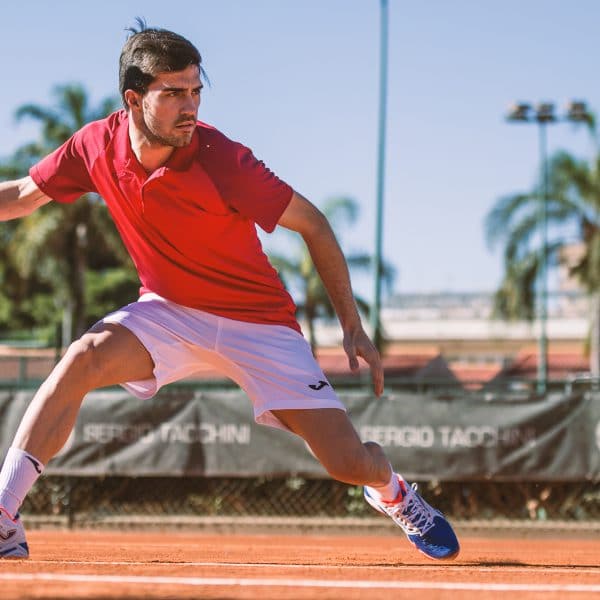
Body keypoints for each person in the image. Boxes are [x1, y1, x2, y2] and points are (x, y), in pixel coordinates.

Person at [0, 22, 459, 561]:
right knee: (83, 357)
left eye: (195, 90)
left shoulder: (224, 160)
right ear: (133, 99)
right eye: (173, 93)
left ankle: (394, 491)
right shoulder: (94, 146)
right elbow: (25, 196)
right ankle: (4, 515)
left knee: (346, 462)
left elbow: (313, 223)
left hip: (258, 323)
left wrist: (351, 325)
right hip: (168, 311)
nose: (189, 105)